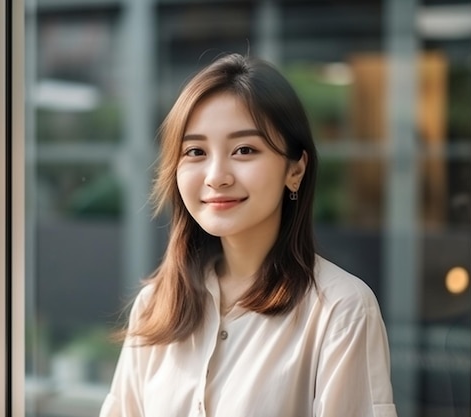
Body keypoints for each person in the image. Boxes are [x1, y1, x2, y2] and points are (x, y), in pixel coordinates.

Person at [100, 53, 397, 417]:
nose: (216, 176)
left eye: (244, 150)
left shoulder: (340, 309)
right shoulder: (155, 305)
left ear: (296, 170)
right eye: (195, 151)